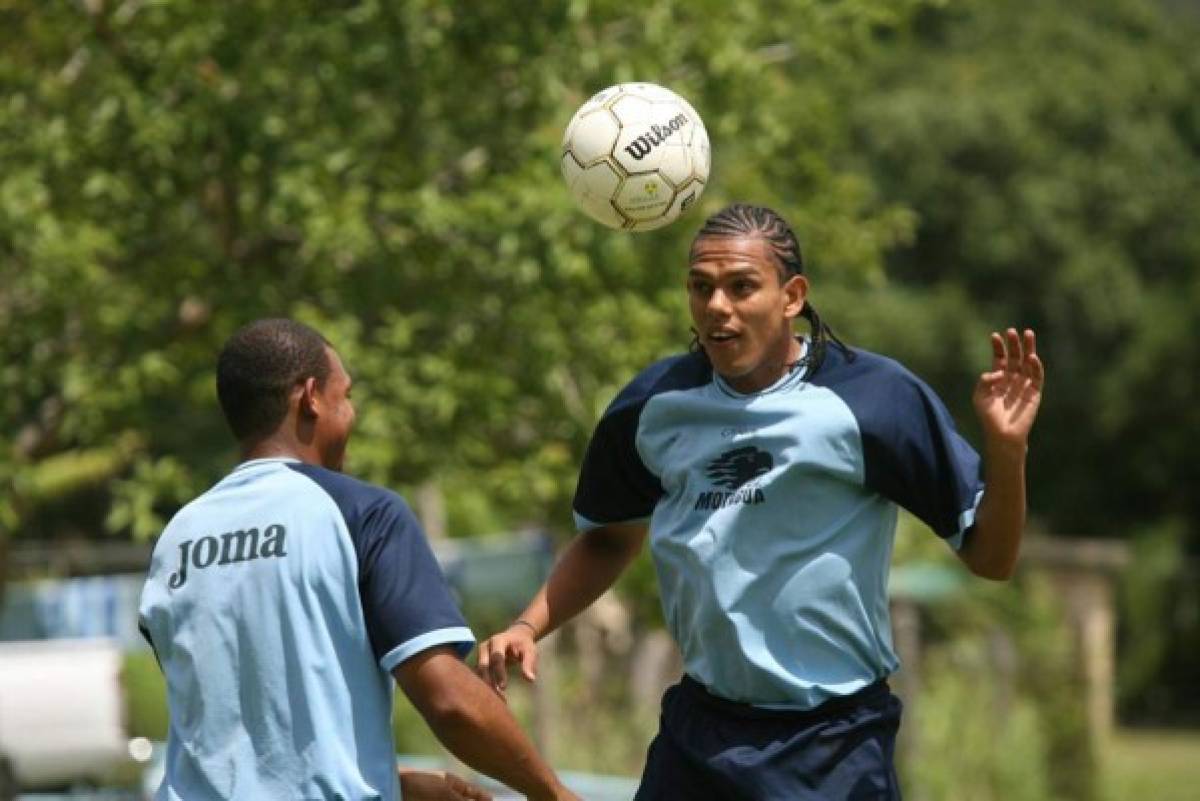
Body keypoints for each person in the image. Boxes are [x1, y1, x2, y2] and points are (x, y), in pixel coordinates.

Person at [477, 203, 1045, 800]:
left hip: (831, 746)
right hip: (698, 735)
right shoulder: (654, 405)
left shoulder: (874, 399)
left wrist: (1007, 452)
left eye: (741, 286)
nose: (717, 306)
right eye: (701, 287)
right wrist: (529, 624)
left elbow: (991, 557)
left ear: (792, 295)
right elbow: (611, 536)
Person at [138, 318, 578, 801]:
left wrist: (393, 784)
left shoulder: (178, 536)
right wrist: (553, 792)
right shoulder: (362, 513)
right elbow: (450, 702)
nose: (351, 413)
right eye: (344, 396)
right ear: (309, 397)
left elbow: (231, 729)